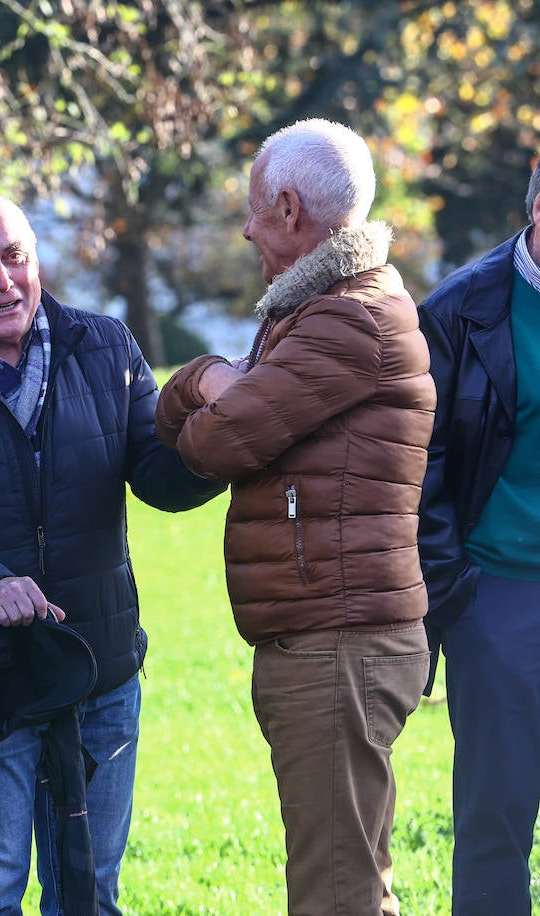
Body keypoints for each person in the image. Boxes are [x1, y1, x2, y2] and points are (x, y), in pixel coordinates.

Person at [0, 191, 225, 915]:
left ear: (36, 260)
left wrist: (224, 436)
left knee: (89, 895)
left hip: (100, 674)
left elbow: (158, 477)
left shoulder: (107, 346)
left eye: (14, 257)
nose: (2, 280)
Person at [154, 119, 435, 916]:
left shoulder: (348, 320)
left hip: (339, 641)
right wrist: (216, 381)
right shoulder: (320, 310)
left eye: (252, 210)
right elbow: (186, 424)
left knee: (336, 892)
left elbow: (214, 442)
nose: (245, 230)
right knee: (347, 878)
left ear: (287, 208)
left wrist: (207, 378)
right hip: (327, 634)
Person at [416, 157, 540, 915]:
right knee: (495, 816)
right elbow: (420, 465)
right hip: (498, 596)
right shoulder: (461, 309)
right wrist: (456, 592)